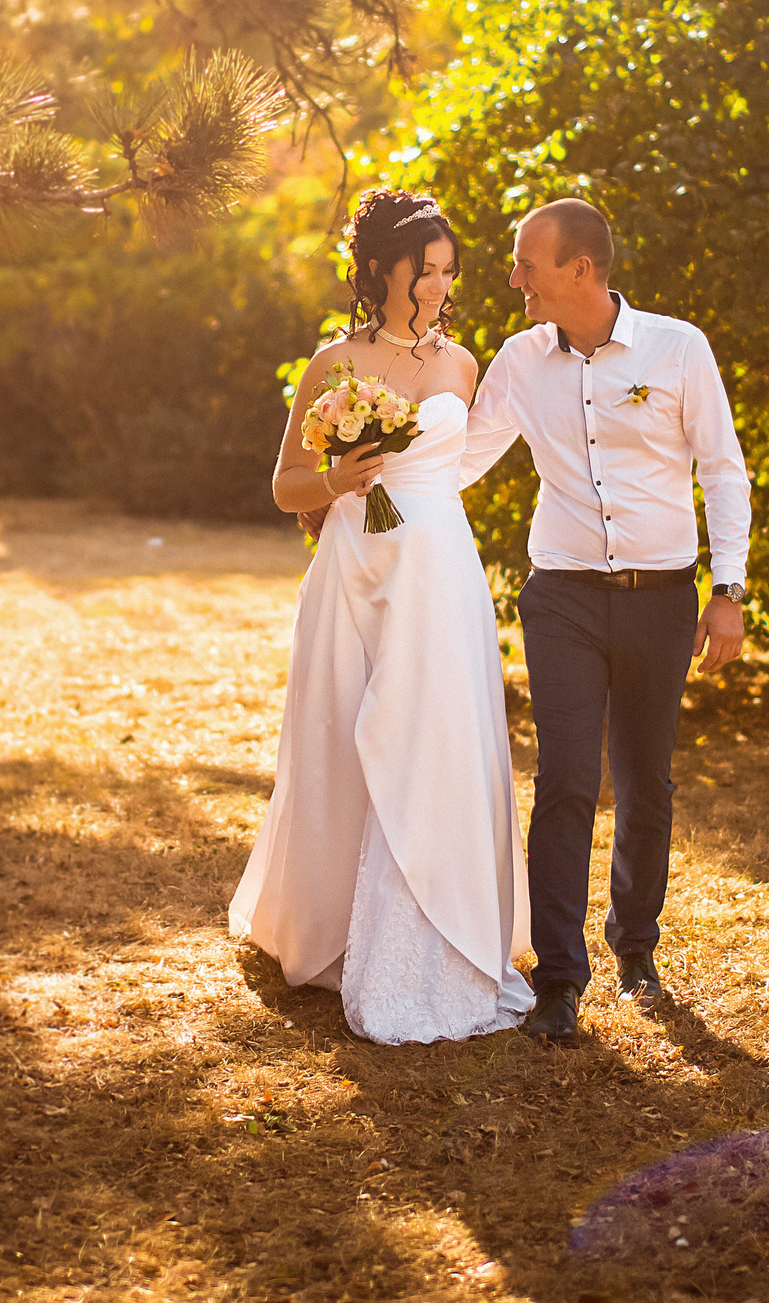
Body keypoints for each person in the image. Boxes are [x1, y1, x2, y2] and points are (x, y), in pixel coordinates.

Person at [228, 187, 535, 1044]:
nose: (438, 286)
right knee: (336, 732)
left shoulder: (463, 365)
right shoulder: (333, 364)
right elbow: (284, 484)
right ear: (377, 270)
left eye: (447, 271)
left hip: (436, 570)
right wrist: (336, 481)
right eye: (422, 270)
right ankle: (330, 927)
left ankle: (437, 926)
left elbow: (457, 462)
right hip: (351, 564)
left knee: (431, 733)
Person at [459, 197, 752, 1045]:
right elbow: (464, 458)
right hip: (562, 596)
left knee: (645, 778)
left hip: (662, 597)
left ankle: (636, 946)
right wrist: (366, 480)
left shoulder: (678, 348)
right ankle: (558, 977)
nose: (514, 278)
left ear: (580, 269)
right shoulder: (519, 360)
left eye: (527, 263)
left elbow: (722, 469)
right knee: (565, 779)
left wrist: (728, 589)